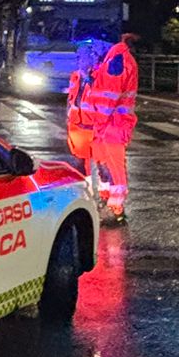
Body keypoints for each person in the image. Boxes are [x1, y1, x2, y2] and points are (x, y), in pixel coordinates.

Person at [66, 34, 138, 222]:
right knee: (104, 166)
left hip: (112, 124)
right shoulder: (110, 61)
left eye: (94, 45)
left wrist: (95, 119)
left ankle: (115, 209)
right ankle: (107, 202)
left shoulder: (116, 60)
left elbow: (107, 99)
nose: (93, 50)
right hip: (105, 125)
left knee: (113, 168)